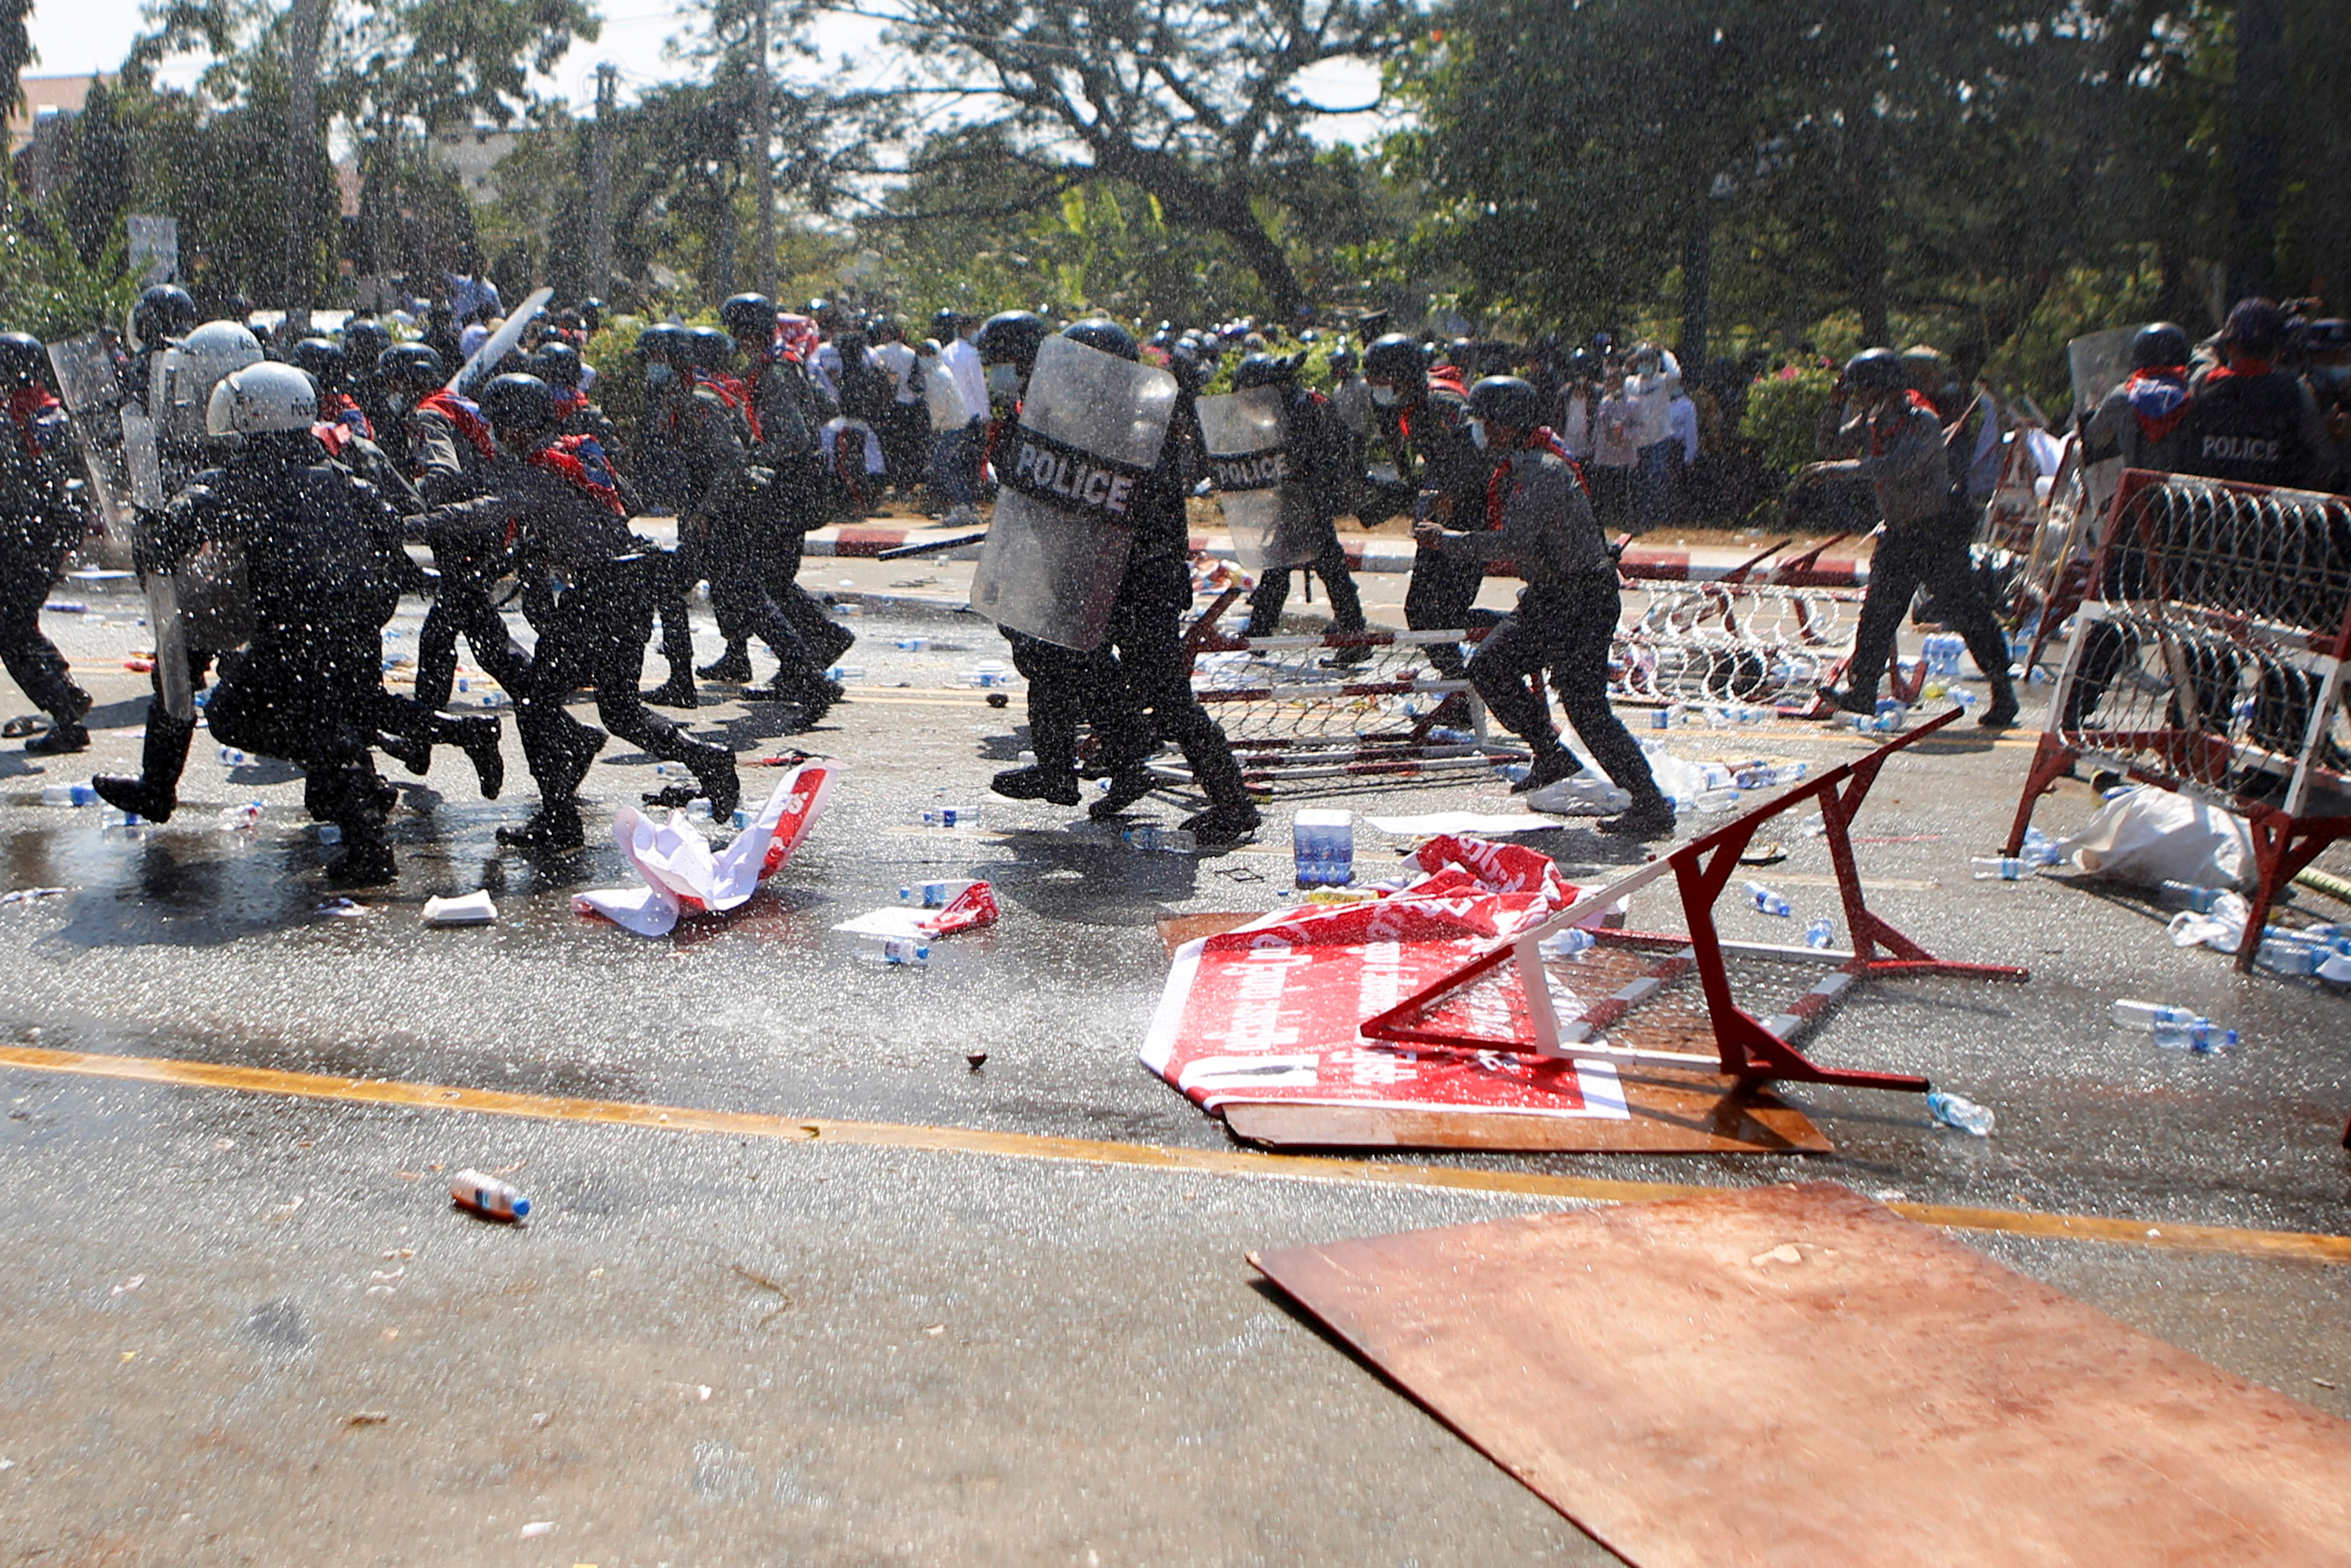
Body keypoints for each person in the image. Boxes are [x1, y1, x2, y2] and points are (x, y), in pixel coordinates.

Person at [154, 363, 477, 882]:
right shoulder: (336, 471)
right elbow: (390, 536)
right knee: (344, 714)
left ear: (254, 413)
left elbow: (184, 526)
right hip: (353, 621)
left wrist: (156, 529)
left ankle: (369, 841)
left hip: (296, 624)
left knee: (241, 716)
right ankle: (379, 801)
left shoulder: (249, 476)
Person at [422, 373, 739, 851]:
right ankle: (708, 759)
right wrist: (550, 539)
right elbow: (623, 503)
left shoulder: (536, 470)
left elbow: (483, 512)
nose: (495, 434)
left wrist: (406, 521)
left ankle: (559, 821)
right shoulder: (581, 450)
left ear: (514, 424)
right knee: (620, 709)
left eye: (499, 424)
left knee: (533, 702)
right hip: (631, 581)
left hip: (599, 592)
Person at [1414, 376, 1676, 839]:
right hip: (1554, 595)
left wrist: (1447, 541)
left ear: (1509, 425)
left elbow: (1513, 541)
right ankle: (1551, 754)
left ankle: (1648, 803)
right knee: (1490, 667)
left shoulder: (1539, 471)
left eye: (1486, 424)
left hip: (1579, 599)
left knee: (1584, 706)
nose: (1480, 433)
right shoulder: (1521, 464)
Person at [975, 311, 1156, 813]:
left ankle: (1116, 762)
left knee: (1075, 663)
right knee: (1053, 663)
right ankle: (1063, 769)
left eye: (1002, 362)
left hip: (1089, 561)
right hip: (1057, 554)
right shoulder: (1049, 402)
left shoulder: (1100, 415)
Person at [1799, 347, 2019, 727]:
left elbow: (1898, 466)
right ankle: (1862, 691)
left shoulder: (1921, 419)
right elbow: (1830, 445)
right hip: (1899, 532)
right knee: (1878, 614)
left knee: (1965, 610)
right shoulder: (1874, 421)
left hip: (1935, 534)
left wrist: (1842, 471)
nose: (1859, 400)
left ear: (1884, 388)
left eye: (1863, 391)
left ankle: (2003, 688)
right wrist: (1833, 407)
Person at [646, 323, 839, 719]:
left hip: (725, 511)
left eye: (655, 360)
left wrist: (705, 512)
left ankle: (809, 675)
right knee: (744, 594)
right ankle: (807, 674)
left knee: (738, 594)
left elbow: (732, 460)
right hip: (725, 508)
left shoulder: (701, 401)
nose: (651, 369)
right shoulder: (698, 395)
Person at [1361, 332, 1487, 703]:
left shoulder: (1443, 402)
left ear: (1401, 376)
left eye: (1380, 379)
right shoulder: (1410, 406)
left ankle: (1515, 632)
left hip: (1467, 517)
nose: (1375, 387)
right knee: (1422, 612)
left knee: (1443, 614)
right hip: (1440, 520)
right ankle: (1458, 689)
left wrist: (1451, 492)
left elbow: (1480, 450)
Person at [0, 332, 94, 755]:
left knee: (12, 630)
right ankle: (67, 691)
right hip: (49, 536)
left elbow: (17, 491)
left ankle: (67, 720)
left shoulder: (17, 419)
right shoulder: (53, 413)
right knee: (20, 619)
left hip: (23, 537)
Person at [1235, 353, 1367, 642]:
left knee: (1307, 564)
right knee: (1312, 564)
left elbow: (1303, 458)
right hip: (1303, 499)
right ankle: (1351, 627)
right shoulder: (1292, 404)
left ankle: (1262, 633)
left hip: (1309, 499)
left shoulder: (1299, 408)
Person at [2175, 298, 2335, 492]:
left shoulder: (2203, 382)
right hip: (2275, 515)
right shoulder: (2295, 390)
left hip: (2212, 513)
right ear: (2278, 351)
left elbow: (2203, 349)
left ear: (2229, 346)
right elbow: (2324, 458)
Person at [2081, 322, 2196, 477]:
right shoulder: (2195, 392)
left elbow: (2095, 437)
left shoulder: (2122, 397)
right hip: (2189, 494)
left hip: (2138, 493)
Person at [931, 311, 988, 526]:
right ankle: (966, 505)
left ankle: (964, 505)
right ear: (965, 329)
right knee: (965, 464)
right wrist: (986, 415)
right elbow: (979, 388)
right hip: (972, 416)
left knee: (952, 463)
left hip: (953, 417)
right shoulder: (972, 354)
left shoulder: (945, 353)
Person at [866, 315, 931, 494]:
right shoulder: (911, 354)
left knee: (889, 444)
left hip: (887, 406)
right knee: (907, 444)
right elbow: (917, 382)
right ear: (901, 335)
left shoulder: (878, 352)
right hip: (908, 404)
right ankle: (906, 481)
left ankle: (890, 478)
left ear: (886, 334)